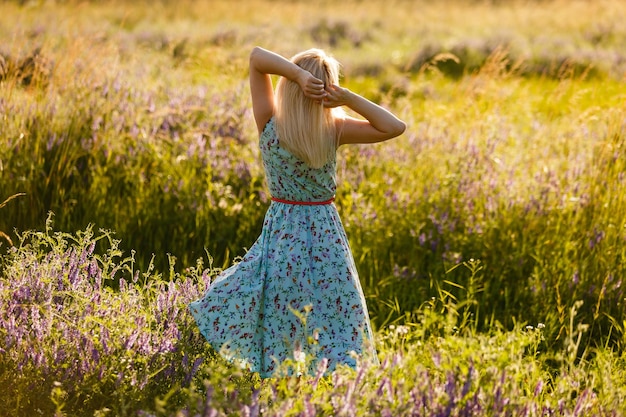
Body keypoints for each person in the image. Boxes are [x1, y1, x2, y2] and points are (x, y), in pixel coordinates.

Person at [189, 46, 406, 378]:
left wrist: (297, 75)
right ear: (327, 93)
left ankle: (281, 381)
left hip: (282, 234)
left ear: (289, 87)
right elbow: (394, 126)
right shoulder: (333, 129)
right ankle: (332, 386)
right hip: (326, 238)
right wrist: (347, 97)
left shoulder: (270, 124)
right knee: (334, 316)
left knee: (279, 311)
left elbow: (257, 58)